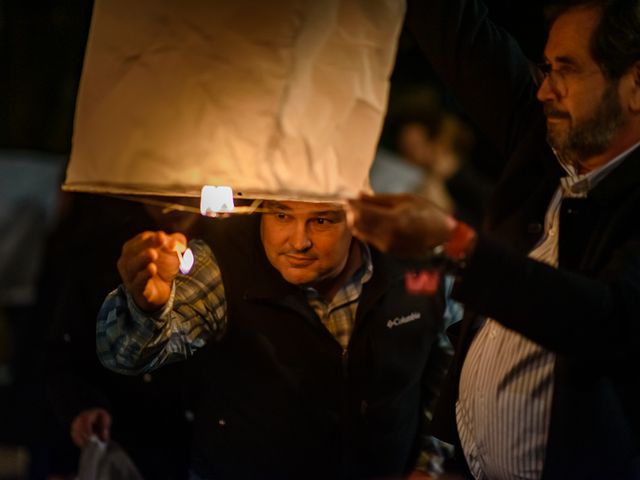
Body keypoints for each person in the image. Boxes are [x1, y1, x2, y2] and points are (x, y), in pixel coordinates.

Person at [348, 0, 640, 478]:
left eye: (565, 69)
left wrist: (456, 245)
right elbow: (460, 36)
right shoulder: (546, 141)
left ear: (635, 84)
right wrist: (443, 453)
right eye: (545, 68)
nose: (544, 90)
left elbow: (606, 321)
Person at [95, 199, 455, 479]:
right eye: (281, 216)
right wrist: (145, 307)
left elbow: (446, 370)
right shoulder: (226, 262)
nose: (298, 241)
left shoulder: (414, 265)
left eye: (322, 220)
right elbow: (124, 355)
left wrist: (429, 464)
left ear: (357, 218)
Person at [45, 194, 195, 479]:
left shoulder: (235, 251)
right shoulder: (99, 249)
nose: (173, 202)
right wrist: (82, 407)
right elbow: (62, 352)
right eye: (161, 187)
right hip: (123, 446)